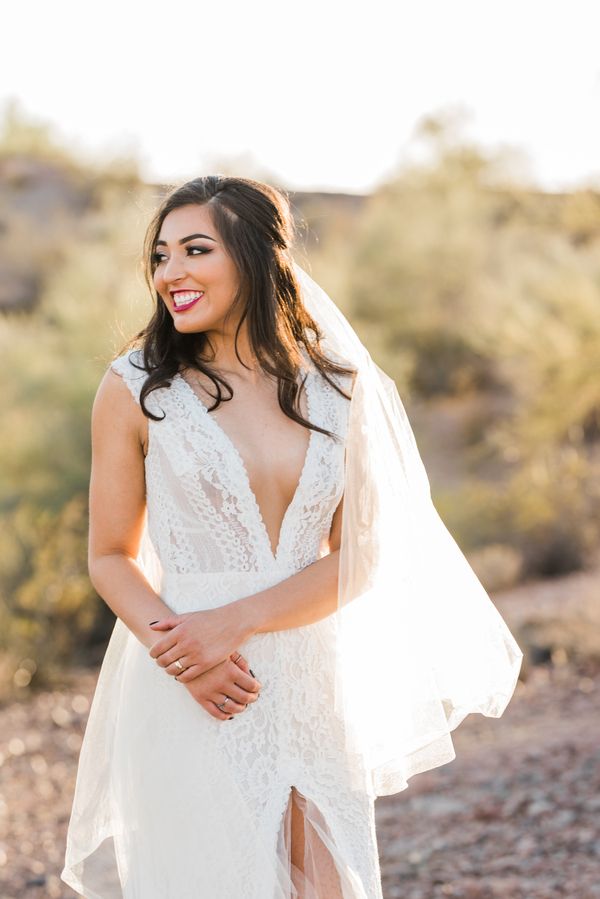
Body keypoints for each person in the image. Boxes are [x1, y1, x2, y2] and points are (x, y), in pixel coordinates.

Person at [61, 174, 522, 898]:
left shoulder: (339, 388)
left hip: (311, 680)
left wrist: (236, 620)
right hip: (192, 684)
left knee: (327, 884)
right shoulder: (136, 388)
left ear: (252, 254)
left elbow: (359, 558)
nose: (169, 272)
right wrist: (188, 653)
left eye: (194, 249)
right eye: (159, 255)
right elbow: (109, 555)